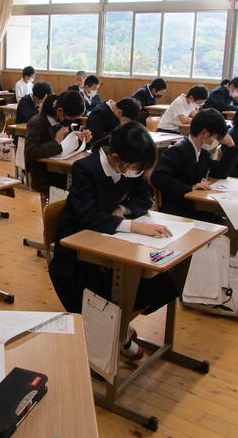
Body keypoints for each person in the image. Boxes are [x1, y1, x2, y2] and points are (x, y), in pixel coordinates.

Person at [50, 122, 176, 359]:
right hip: (76, 255)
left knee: (162, 282)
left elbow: (144, 199)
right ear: (116, 158)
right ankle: (114, 335)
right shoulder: (85, 169)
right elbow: (87, 217)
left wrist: (122, 209)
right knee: (116, 287)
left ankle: (118, 328)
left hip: (111, 243)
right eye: (137, 167)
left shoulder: (129, 167)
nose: (138, 172)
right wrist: (133, 226)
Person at [151, 108, 237, 218]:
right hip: (178, 208)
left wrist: (231, 148)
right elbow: (158, 177)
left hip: (193, 205)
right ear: (204, 133)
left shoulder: (202, 153)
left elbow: (220, 173)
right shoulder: (177, 151)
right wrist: (189, 188)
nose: (216, 141)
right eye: (215, 137)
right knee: (219, 218)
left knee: (223, 216)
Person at [25, 90, 91, 195]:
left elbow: (66, 146)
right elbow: (30, 152)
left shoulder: (63, 119)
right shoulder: (36, 122)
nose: (71, 121)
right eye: (71, 118)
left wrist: (81, 140)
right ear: (60, 111)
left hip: (63, 170)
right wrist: (56, 142)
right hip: (44, 176)